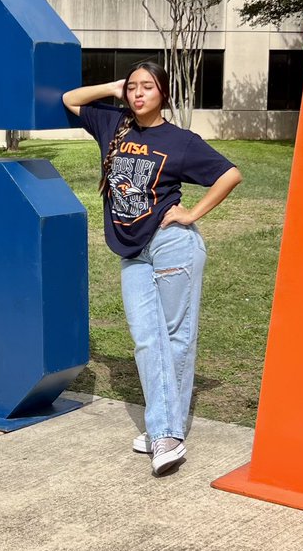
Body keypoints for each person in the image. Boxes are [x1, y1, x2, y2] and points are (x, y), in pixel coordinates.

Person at [63, 62, 242, 476]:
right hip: (132, 252)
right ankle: (168, 426)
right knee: (147, 339)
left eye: (148, 87)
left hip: (171, 246)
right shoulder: (113, 126)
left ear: (163, 92)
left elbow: (230, 174)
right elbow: (70, 100)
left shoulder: (179, 141)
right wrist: (113, 86)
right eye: (133, 87)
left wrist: (192, 212)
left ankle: (164, 433)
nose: (139, 94)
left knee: (176, 337)